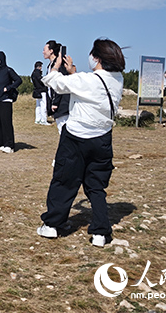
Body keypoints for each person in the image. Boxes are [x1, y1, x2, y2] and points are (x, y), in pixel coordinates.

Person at [36, 38, 125, 248]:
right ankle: (100, 233)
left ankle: (52, 225)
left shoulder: (88, 79)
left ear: (98, 58)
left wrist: (56, 67)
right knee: (96, 186)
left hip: (76, 137)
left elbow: (53, 82)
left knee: (64, 180)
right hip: (102, 138)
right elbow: (92, 89)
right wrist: (74, 73)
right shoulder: (118, 79)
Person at [0, 51, 22, 153]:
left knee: (6, 122)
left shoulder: (8, 70)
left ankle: (9, 145)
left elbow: (18, 80)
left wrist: (9, 88)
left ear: (1, 59)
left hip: (5, 100)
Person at [43, 40, 70, 133]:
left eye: (44, 50)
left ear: (51, 51)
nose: (43, 52)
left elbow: (60, 84)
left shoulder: (59, 65)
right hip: (55, 103)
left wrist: (56, 102)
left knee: (64, 130)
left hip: (62, 104)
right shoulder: (50, 65)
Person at [31, 61, 51, 125]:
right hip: (42, 91)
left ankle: (37, 119)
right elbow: (41, 81)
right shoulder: (38, 74)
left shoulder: (33, 73)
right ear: (39, 67)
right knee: (43, 106)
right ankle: (43, 120)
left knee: (38, 106)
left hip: (37, 91)